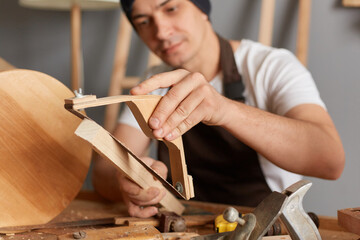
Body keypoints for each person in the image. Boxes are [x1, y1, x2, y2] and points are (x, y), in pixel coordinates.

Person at [92, 0, 345, 218]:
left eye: (171, 8)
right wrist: (131, 182)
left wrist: (225, 111)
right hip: (188, 228)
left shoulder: (271, 67)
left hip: (266, 229)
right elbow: (103, 172)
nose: (161, 31)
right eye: (144, 21)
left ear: (202, 8)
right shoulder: (155, 84)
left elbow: (330, 160)